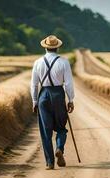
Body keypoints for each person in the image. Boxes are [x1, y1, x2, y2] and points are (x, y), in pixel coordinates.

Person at [30, 35, 75, 170]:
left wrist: (34, 101)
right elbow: (68, 83)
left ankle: (50, 163)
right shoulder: (64, 62)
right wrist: (71, 100)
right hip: (58, 95)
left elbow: (34, 84)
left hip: (43, 95)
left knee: (46, 131)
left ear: (45, 47)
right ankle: (59, 148)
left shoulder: (37, 62)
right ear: (58, 47)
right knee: (61, 127)